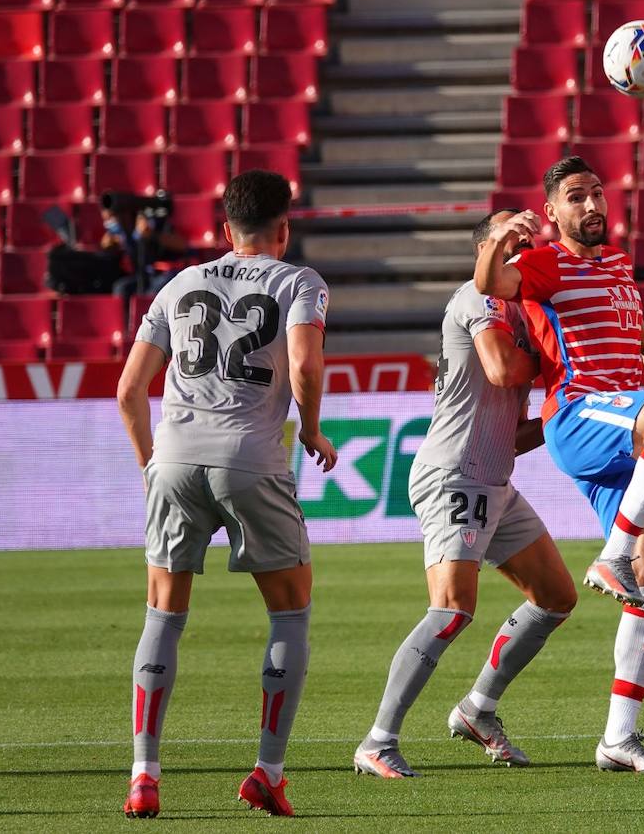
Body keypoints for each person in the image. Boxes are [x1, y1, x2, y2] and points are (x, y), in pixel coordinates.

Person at [475, 156, 644, 773]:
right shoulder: (542, 261)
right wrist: (502, 238)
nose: (592, 206)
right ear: (553, 213)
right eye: (576, 197)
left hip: (622, 415)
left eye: (597, 194)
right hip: (582, 412)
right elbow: (488, 286)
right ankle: (610, 554)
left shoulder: (616, 262)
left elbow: (617, 317)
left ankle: (617, 739)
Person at [116, 170, 338, 818]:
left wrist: (150, 468)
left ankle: (144, 773)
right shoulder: (298, 281)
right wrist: (314, 428)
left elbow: (129, 391)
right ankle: (268, 770)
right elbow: (303, 364)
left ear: (223, 231)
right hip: (250, 457)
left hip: (176, 455)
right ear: (284, 229)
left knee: (163, 612)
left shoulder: (180, 283)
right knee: (290, 610)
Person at [353, 209, 578, 779]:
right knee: (452, 609)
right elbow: (503, 371)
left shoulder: (523, 310)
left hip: (493, 479)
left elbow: (525, 424)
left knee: (555, 597)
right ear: (484, 249)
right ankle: (378, 742)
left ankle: (478, 708)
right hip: (454, 474)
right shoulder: (474, 301)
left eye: (524, 235)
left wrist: (571, 411)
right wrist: (561, 367)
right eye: (506, 234)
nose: (520, 239)